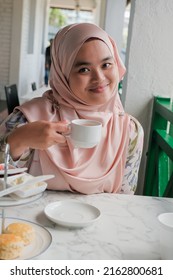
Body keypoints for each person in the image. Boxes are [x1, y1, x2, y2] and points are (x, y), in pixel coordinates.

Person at [0, 23, 144, 195]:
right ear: (62, 73)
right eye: (84, 69)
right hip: (31, 221)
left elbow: (126, 202)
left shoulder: (129, 131)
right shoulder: (28, 119)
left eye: (106, 65)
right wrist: (18, 139)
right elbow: (5, 187)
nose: (99, 77)